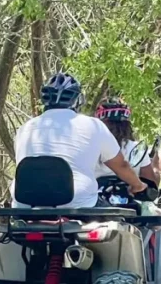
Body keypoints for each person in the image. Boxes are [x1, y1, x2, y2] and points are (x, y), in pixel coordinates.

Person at [13, 74, 147, 207]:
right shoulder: (94, 125)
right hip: (78, 204)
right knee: (123, 220)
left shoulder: (24, 129)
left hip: (25, 206)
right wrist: (138, 185)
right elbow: (121, 166)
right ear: (78, 100)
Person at [92, 97, 159, 185]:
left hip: (92, 197)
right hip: (128, 197)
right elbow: (152, 185)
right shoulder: (137, 149)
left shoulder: (90, 146)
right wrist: (155, 166)